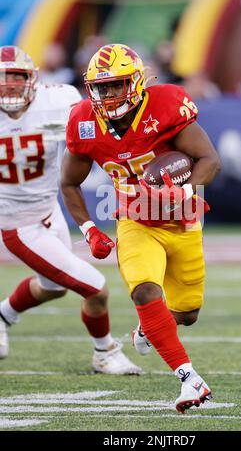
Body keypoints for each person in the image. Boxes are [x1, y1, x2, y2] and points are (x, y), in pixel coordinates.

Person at [61, 43, 221, 413]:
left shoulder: (164, 105)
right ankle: (190, 380)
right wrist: (87, 228)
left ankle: (147, 330)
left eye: (116, 85)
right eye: (101, 87)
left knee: (187, 314)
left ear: (135, 82)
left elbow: (209, 159)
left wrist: (182, 192)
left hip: (182, 221)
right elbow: (69, 183)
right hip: (134, 221)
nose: (109, 94)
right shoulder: (84, 121)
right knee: (145, 293)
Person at [0, 45, 141, 376]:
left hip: (50, 210)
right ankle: (105, 351)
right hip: (16, 224)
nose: (9, 86)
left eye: (16, 78)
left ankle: (3, 315)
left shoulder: (59, 101)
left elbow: (93, 126)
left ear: (32, 80)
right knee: (94, 286)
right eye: (2, 80)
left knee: (52, 286)